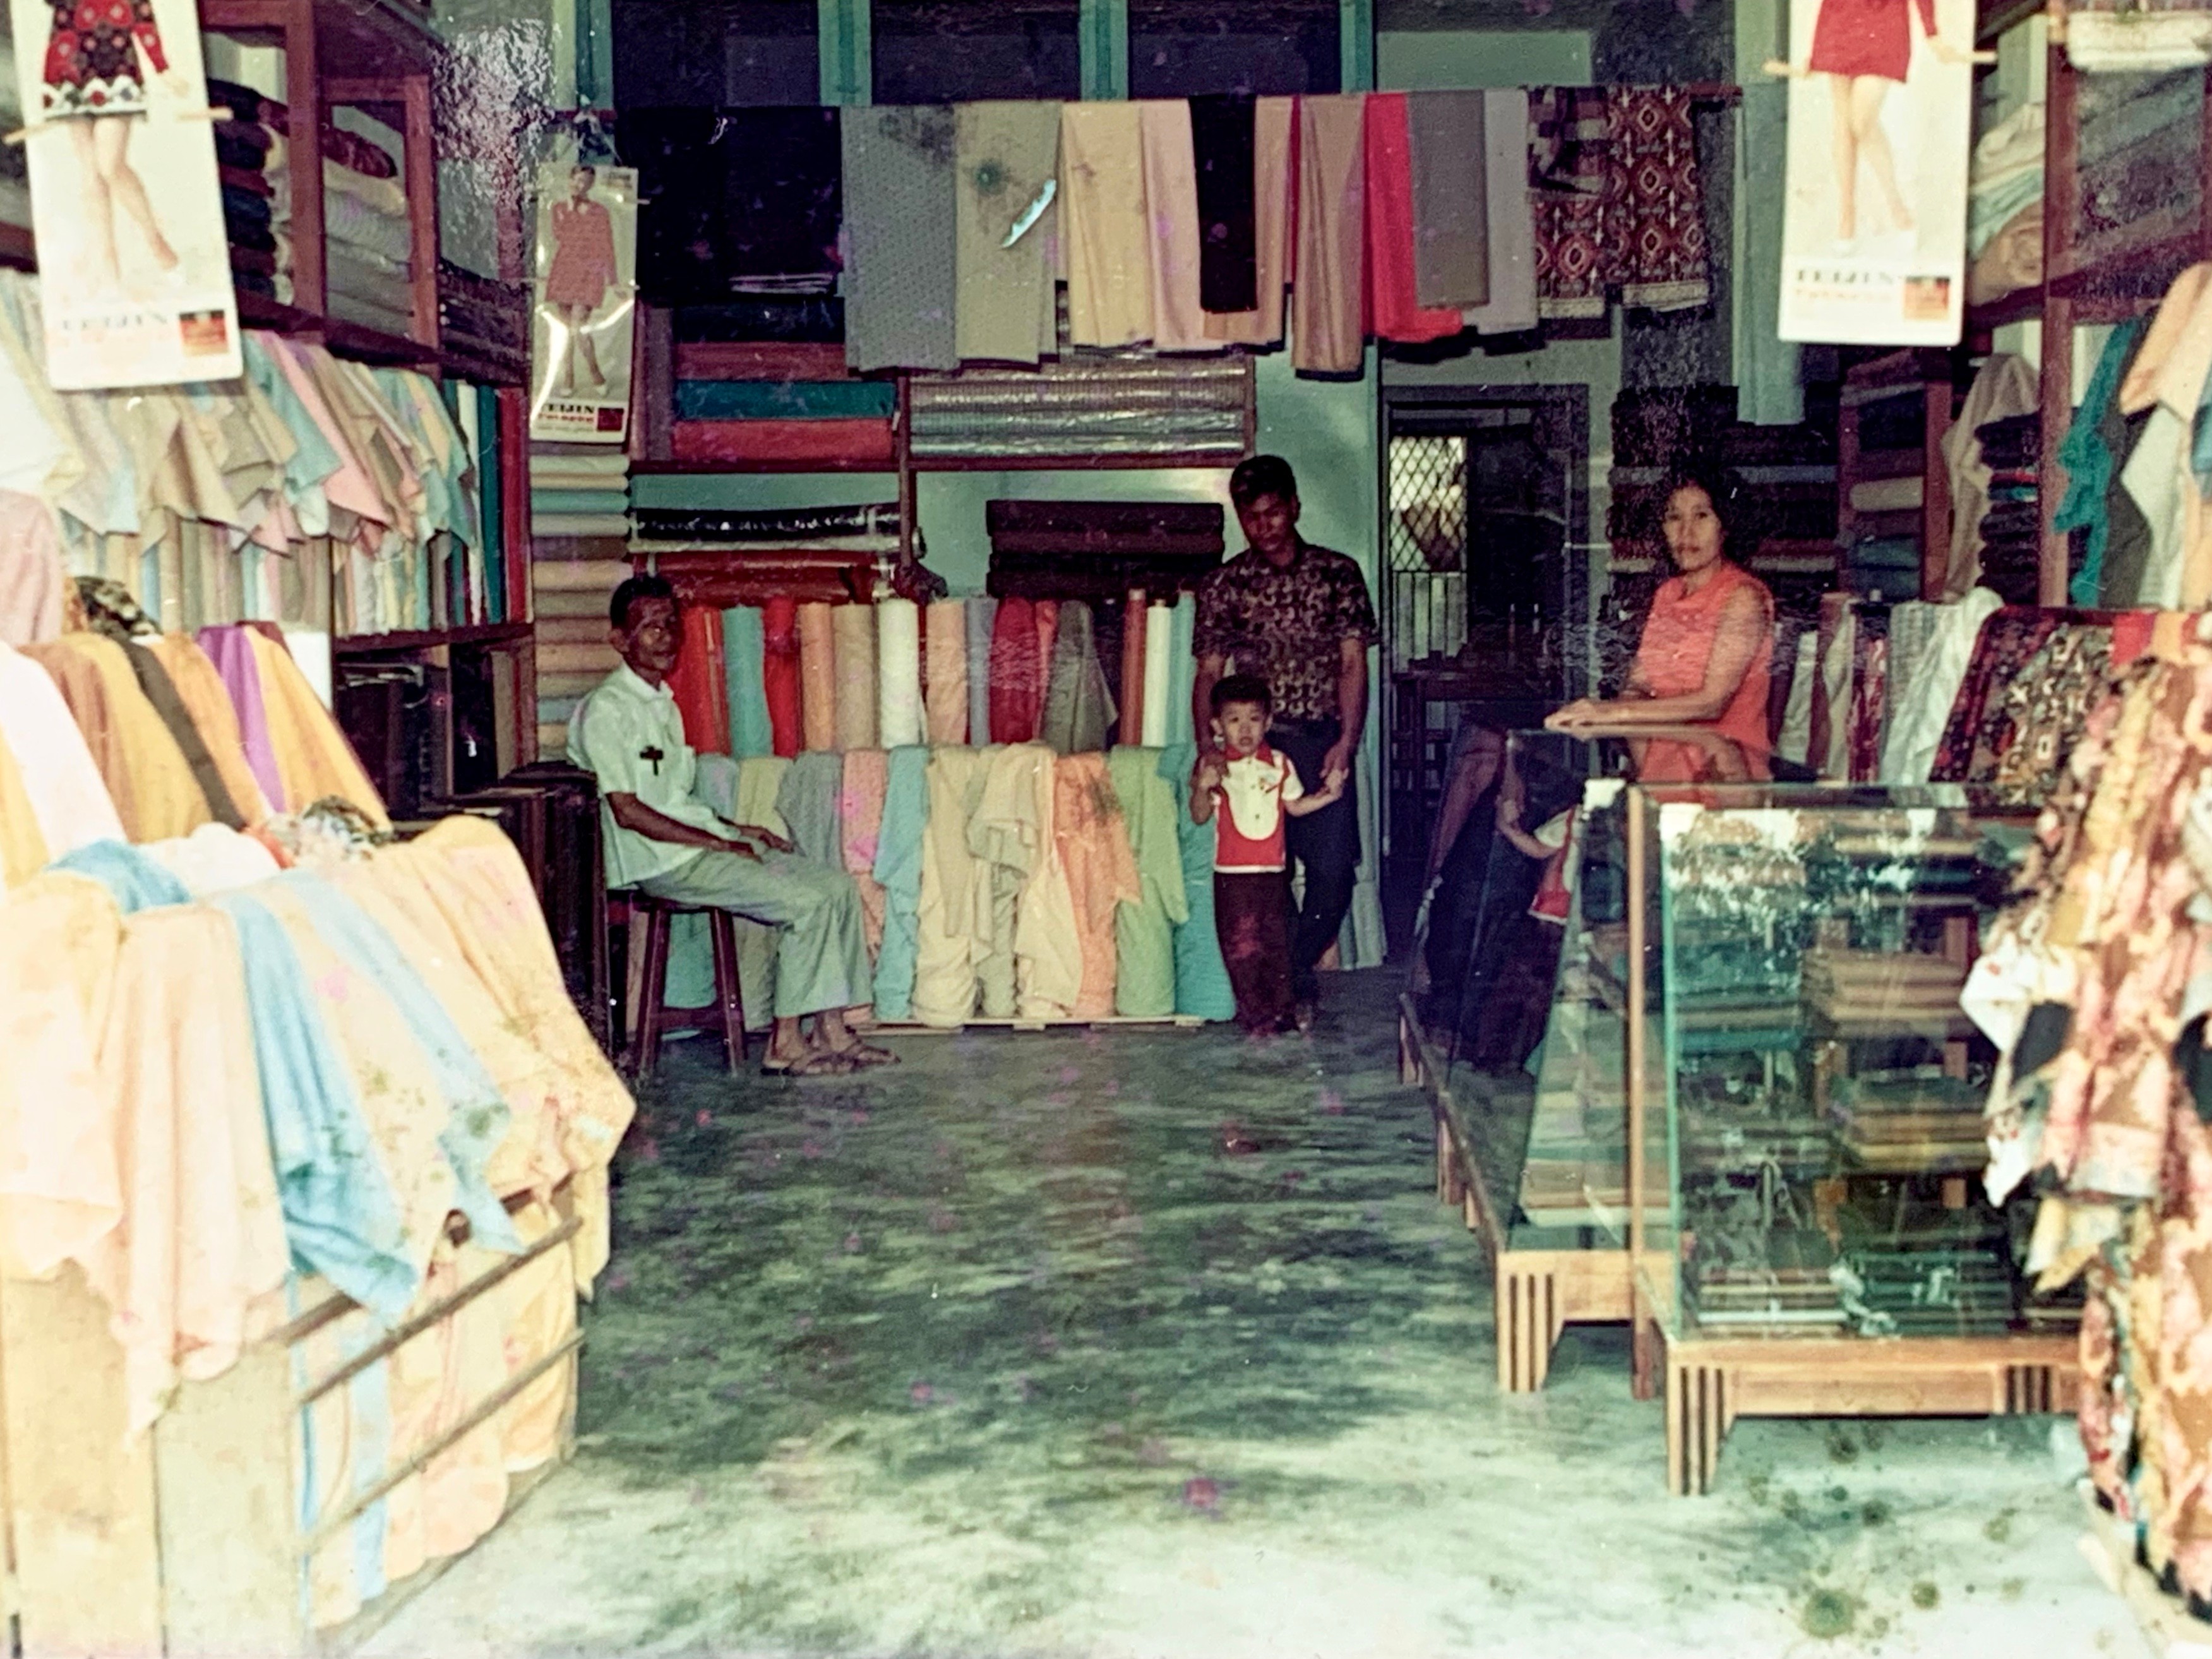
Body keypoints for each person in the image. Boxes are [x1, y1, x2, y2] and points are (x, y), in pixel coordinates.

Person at [568, 575, 893, 1077]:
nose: (667, 637)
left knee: (835, 888)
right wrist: (719, 842)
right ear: (619, 640)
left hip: (695, 847)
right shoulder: (608, 710)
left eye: (671, 624)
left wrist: (738, 828)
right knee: (806, 904)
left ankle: (832, 1029)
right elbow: (629, 811)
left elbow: (672, 800)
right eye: (651, 627)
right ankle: (785, 1042)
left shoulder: (659, 702)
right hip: (665, 862)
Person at [1193, 454, 1376, 1019]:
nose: (1264, 526)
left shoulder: (1337, 573)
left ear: (1294, 506)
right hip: (1252, 750)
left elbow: (1352, 664)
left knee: (1332, 871)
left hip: (1320, 740)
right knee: (1265, 880)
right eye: (1251, 517)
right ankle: (1286, 990)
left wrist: (1346, 741)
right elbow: (1208, 674)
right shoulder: (1225, 584)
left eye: (1274, 513)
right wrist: (1208, 747)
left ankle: (1290, 973)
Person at [1546, 465, 1775, 777]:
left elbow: (1712, 703)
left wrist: (1609, 712)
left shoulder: (1743, 597)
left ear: (1726, 525)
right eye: (1674, 517)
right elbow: (1638, 685)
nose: (1686, 533)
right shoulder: (1669, 594)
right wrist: (1649, 772)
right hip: (1668, 770)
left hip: (1727, 774)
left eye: (1702, 516)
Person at [1191, 674, 1345, 1034]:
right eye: (1233, 720)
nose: (1244, 730)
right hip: (1232, 875)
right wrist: (1202, 787)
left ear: (1268, 723)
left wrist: (1328, 795)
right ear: (1217, 726)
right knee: (1241, 949)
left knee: (1277, 945)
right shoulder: (1214, 767)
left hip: (1272, 872)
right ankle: (1257, 1018)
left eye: (1254, 719)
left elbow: (1294, 806)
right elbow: (1199, 815)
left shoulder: (1280, 763)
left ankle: (1283, 1013)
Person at [1767, 0, 1974, 249]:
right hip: (1840, 23)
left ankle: (1896, 204)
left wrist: (1932, 32)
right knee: (1843, 124)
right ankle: (1847, 217)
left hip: (1885, 26)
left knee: (1862, 120)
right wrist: (1815, 50)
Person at [39, 0, 185, 293]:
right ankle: (108, 268)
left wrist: (161, 66)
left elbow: (141, 15)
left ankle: (156, 242)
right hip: (69, 68)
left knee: (110, 164)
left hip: (117, 70)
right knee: (91, 170)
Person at [544, 164, 618, 395]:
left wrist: (612, 280)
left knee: (578, 328)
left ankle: (596, 373)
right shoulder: (558, 208)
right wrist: (568, 209)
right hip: (564, 270)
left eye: (586, 182)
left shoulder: (600, 211)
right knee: (566, 329)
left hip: (589, 274)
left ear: (591, 185)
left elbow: (607, 245)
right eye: (576, 180)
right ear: (570, 180)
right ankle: (568, 377)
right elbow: (560, 235)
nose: (580, 185)